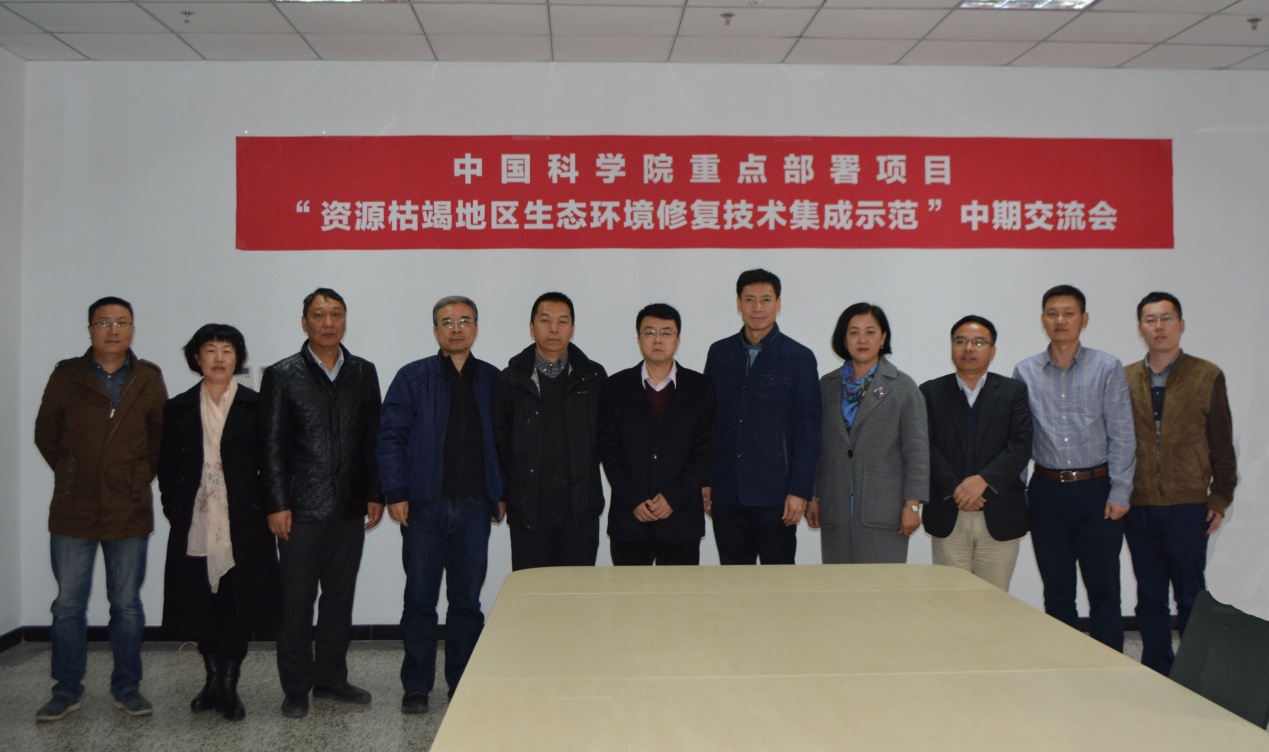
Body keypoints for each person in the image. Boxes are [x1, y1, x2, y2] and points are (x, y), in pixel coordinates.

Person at [33, 296, 168, 721]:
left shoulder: (148, 378)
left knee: (126, 604)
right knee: (68, 606)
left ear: (132, 329)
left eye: (121, 322)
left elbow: (159, 439)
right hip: (73, 509)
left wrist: (134, 477)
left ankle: (127, 687)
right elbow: (46, 434)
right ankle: (65, 689)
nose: (113, 330)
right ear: (90, 329)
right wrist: (72, 472)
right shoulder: (66, 376)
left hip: (128, 508)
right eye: (104, 322)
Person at [378, 296, 504, 714]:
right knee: (419, 601)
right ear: (435, 330)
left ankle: (462, 682)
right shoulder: (412, 377)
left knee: (466, 604)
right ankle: (416, 685)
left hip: (474, 509)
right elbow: (391, 437)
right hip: (423, 508)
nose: (456, 328)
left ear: (476, 328)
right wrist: (395, 492)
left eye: (465, 320)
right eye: (447, 322)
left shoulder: (492, 379)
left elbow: (505, 443)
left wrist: (500, 491)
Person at [260, 288, 383, 718]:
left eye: (336, 314)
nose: (328, 323)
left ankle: (331, 679)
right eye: (318, 315)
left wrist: (375, 493)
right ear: (304, 322)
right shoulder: (283, 374)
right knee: (295, 603)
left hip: (349, 505)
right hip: (300, 509)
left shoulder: (363, 372)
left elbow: (373, 438)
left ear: (345, 320)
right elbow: (270, 446)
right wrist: (277, 503)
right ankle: (296, 687)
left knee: (338, 599)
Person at [157, 324, 281, 721]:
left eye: (227, 350)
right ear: (197, 358)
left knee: (236, 602)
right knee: (200, 603)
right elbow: (166, 468)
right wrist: (176, 509)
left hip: (245, 522)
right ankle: (211, 679)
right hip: (194, 523)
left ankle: (229, 684)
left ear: (237, 358)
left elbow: (274, 463)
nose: (218, 358)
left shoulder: (257, 405)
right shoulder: (177, 407)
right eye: (210, 350)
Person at [1013, 284, 1135, 651]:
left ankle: (1110, 665)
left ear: (1084, 319)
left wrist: (1121, 491)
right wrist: (1018, 494)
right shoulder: (1025, 371)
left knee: (1104, 589)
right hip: (1047, 491)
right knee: (1057, 590)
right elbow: (1019, 438)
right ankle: (1064, 666)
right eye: (1053, 314)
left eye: (1069, 313)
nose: (1060, 320)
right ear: (1043, 320)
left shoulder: (1107, 366)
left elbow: (1122, 433)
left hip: (1097, 490)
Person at [1124, 292, 1237, 674]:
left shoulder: (1206, 375)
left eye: (1167, 318)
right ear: (1140, 328)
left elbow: (1221, 442)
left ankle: (1195, 671)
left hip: (1188, 506)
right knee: (1150, 596)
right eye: (1150, 320)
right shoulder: (1124, 378)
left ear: (1181, 324)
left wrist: (1220, 497)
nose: (1159, 327)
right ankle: (1156, 667)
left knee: (1190, 596)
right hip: (1139, 505)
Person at [704, 269, 820, 565]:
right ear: (738, 303)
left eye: (766, 299)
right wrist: (706, 480)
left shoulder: (798, 357)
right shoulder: (719, 353)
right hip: (727, 492)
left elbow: (808, 429)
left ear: (778, 303)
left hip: (777, 496)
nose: (757, 307)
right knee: (733, 582)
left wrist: (800, 490)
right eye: (749, 299)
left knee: (778, 585)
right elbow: (707, 423)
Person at [494, 292, 607, 571]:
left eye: (562, 322)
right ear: (532, 327)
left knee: (578, 591)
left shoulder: (593, 377)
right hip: (529, 511)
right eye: (545, 321)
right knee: (531, 591)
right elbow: (499, 443)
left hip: (579, 511)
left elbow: (606, 441)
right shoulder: (511, 379)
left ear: (572, 328)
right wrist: (500, 494)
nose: (554, 329)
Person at [807, 303, 927, 563]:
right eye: (854, 332)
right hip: (835, 505)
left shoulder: (903, 387)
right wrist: (812, 495)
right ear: (844, 339)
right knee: (839, 585)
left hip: (885, 509)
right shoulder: (826, 386)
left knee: (882, 586)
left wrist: (912, 504)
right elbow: (815, 446)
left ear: (883, 338)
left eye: (870, 332)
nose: (862, 340)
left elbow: (917, 452)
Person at [919, 315, 1033, 590]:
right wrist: (957, 488)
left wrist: (982, 481)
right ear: (952, 348)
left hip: (1000, 512)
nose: (968, 348)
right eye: (960, 341)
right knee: (951, 600)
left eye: (978, 342)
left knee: (993, 599)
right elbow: (925, 445)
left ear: (992, 351)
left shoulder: (1013, 391)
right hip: (949, 511)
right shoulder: (930, 391)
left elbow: (1020, 445)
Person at [598, 303, 716, 566]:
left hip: (681, 518)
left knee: (679, 593)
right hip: (630, 519)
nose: (658, 339)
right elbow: (609, 450)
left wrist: (673, 497)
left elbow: (705, 451)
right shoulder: (615, 388)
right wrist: (634, 498)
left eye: (666, 333)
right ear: (638, 339)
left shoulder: (700, 388)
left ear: (678, 340)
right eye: (650, 332)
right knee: (629, 592)